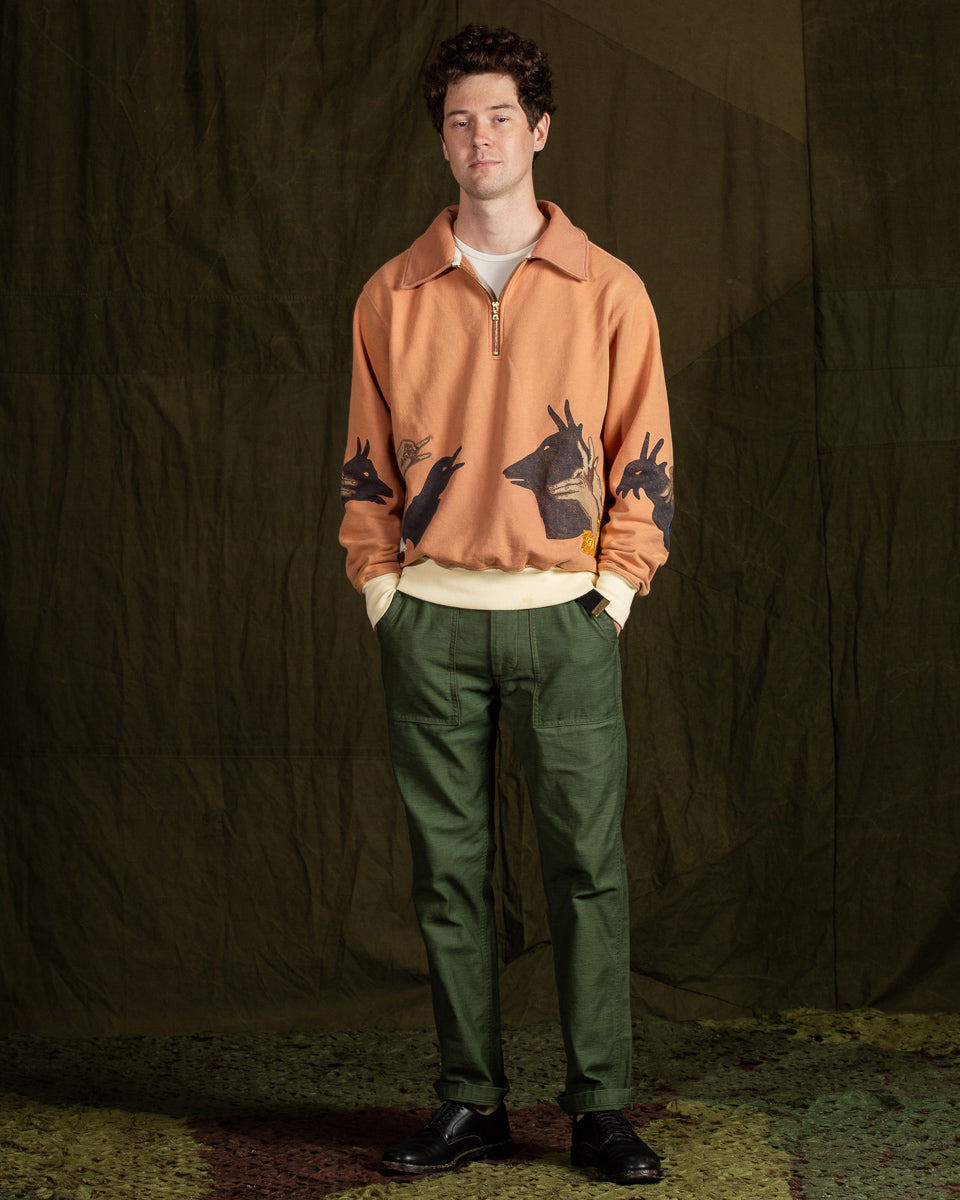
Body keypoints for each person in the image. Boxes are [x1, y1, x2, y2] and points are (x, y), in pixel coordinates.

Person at [339, 23, 673, 1188]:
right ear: (442, 141)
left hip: (567, 620)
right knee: (448, 874)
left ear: (538, 132)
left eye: (498, 118)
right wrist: (383, 592)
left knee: (588, 871)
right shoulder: (390, 294)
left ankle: (601, 1110)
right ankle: (469, 1102)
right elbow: (364, 462)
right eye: (458, 121)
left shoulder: (609, 289)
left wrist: (614, 593)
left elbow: (645, 452)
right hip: (428, 623)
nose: (478, 138)